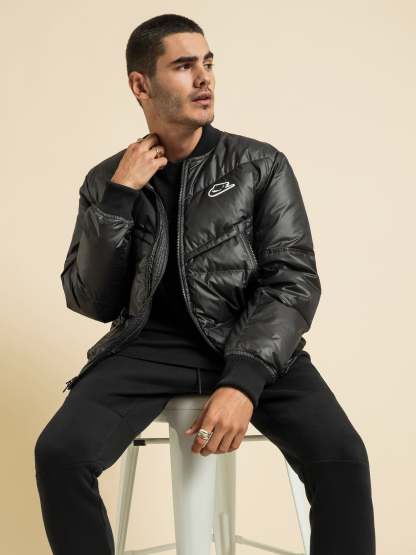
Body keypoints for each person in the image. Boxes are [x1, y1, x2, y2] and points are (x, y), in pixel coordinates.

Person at [34, 13, 376, 555]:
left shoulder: (259, 164)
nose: (204, 78)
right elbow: (91, 300)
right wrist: (120, 198)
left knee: (343, 457)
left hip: (250, 340)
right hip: (147, 348)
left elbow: (292, 279)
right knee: (59, 454)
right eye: (183, 65)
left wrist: (244, 381)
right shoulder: (107, 180)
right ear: (141, 84)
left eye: (209, 63)